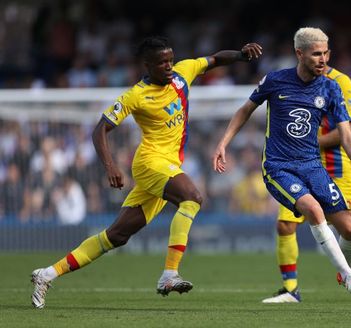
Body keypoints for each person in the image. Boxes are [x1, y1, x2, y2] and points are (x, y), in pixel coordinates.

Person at [30, 36, 263, 309]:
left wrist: (240, 55)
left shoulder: (183, 73)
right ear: (148, 65)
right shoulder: (136, 95)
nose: (168, 66)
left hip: (169, 166)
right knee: (193, 197)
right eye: (162, 62)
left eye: (170, 60)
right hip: (150, 163)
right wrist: (110, 165)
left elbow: (214, 59)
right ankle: (169, 274)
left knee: (115, 236)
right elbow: (100, 129)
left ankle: (47, 274)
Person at [213, 27, 351, 304]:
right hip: (279, 166)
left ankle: (346, 271)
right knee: (311, 209)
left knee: (350, 230)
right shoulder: (276, 81)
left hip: (312, 165)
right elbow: (245, 110)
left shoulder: (331, 87)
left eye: (325, 53)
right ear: (300, 54)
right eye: (316, 54)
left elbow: (346, 134)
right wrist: (223, 143)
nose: (323, 59)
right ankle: (346, 277)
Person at [261, 60, 351, 303]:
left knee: (349, 230)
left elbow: (349, 130)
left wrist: (304, 142)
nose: (318, 58)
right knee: (285, 224)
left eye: (322, 52)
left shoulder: (340, 83)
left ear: (327, 54)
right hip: (295, 169)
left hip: (336, 169)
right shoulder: (291, 82)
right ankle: (291, 289)